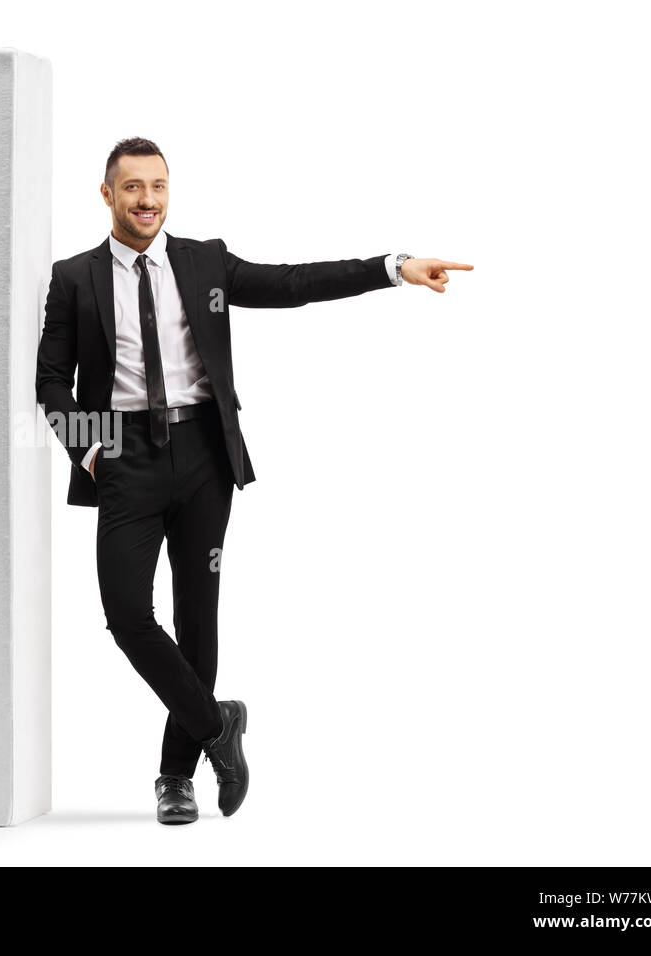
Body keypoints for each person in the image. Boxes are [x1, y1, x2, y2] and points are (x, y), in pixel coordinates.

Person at [35, 137, 472, 824]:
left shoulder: (203, 261)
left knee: (196, 619)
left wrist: (394, 267)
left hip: (206, 450)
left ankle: (176, 776)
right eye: (132, 188)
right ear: (107, 194)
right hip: (124, 453)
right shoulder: (73, 277)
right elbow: (53, 382)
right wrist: (94, 453)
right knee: (127, 617)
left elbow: (292, 284)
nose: (147, 200)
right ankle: (218, 725)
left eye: (158, 186)